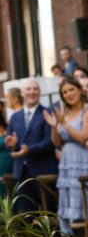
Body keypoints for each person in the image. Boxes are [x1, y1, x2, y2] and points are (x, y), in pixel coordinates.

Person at [46, 77, 88, 235]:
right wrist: (54, 127)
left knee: (84, 204)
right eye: (65, 92)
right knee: (69, 206)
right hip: (67, 163)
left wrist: (64, 123)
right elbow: (57, 143)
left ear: (80, 90)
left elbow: (84, 138)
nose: (69, 94)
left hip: (84, 160)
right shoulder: (65, 113)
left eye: (71, 90)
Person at [3, 79, 58, 212]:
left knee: (49, 214)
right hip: (21, 173)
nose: (32, 92)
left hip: (43, 172)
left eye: (35, 89)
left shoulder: (48, 112)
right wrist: (12, 144)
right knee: (28, 215)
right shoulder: (15, 117)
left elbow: (49, 141)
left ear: (39, 92)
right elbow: (11, 142)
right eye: (28, 89)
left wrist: (29, 149)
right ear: (22, 92)